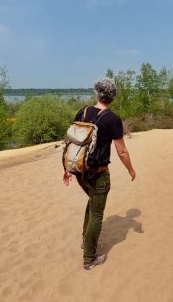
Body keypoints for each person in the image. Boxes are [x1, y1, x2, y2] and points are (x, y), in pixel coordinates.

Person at [62, 77, 137, 270]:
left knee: (92, 202)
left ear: (97, 93)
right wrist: (130, 169)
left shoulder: (83, 111)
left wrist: (67, 168)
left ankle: (85, 241)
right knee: (97, 213)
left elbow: (73, 142)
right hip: (98, 174)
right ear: (113, 96)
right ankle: (89, 258)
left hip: (79, 170)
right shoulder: (112, 118)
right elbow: (122, 151)